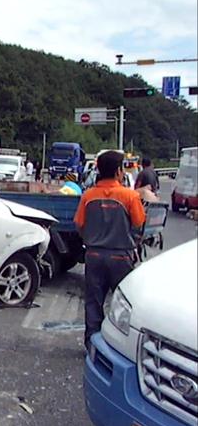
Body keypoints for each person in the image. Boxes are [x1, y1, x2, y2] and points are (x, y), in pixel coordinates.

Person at [74, 150, 146, 352]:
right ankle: (122, 349)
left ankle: (91, 345)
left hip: (94, 256)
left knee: (93, 302)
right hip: (121, 256)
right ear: (117, 171)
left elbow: (79, 224)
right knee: (124, 305)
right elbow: (139, 223)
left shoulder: (88, 196)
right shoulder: (129, 196)